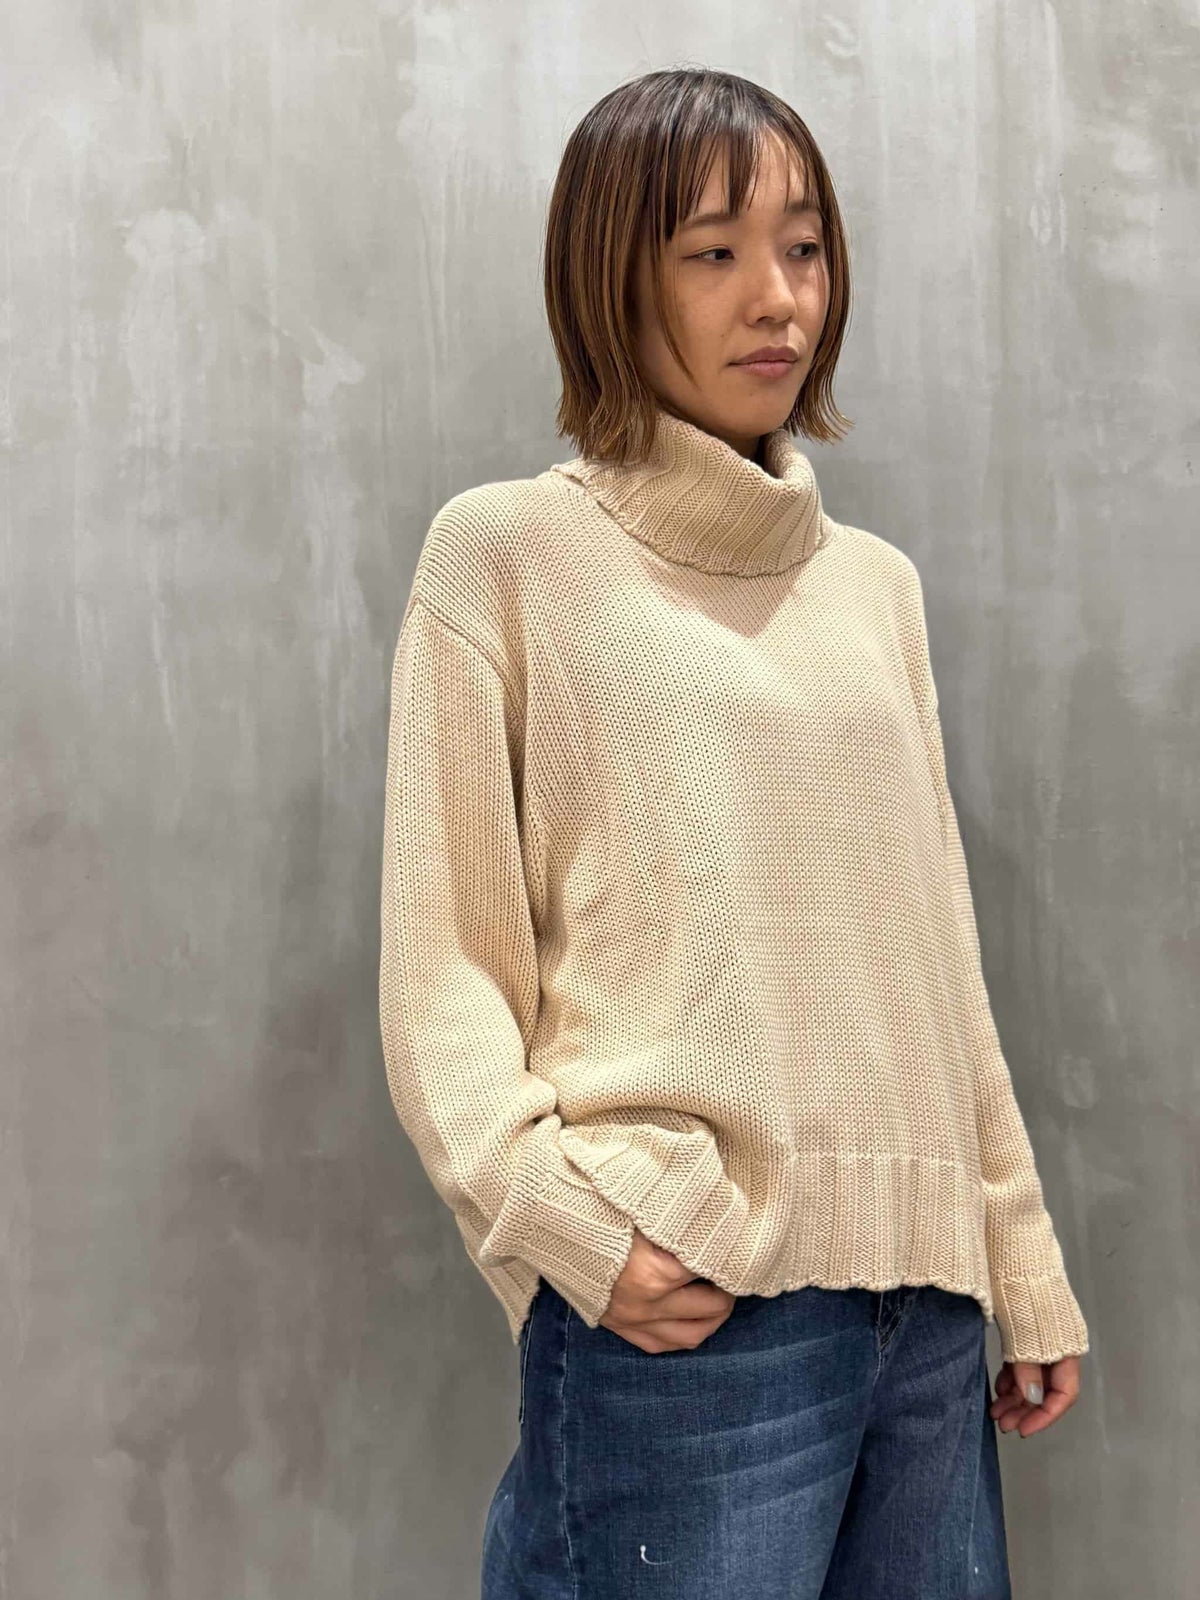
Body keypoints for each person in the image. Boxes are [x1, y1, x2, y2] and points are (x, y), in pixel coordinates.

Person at [379, 66, 1089, 1599]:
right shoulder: (505, 558)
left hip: (927, 1320)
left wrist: (1016, 1256)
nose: (779, 298)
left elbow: (936, 957)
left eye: (805, 247)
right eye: (714, 251)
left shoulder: (874, 589)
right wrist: (566, 1227)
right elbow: (445, 969)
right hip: (691, 1319)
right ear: (608, 277)